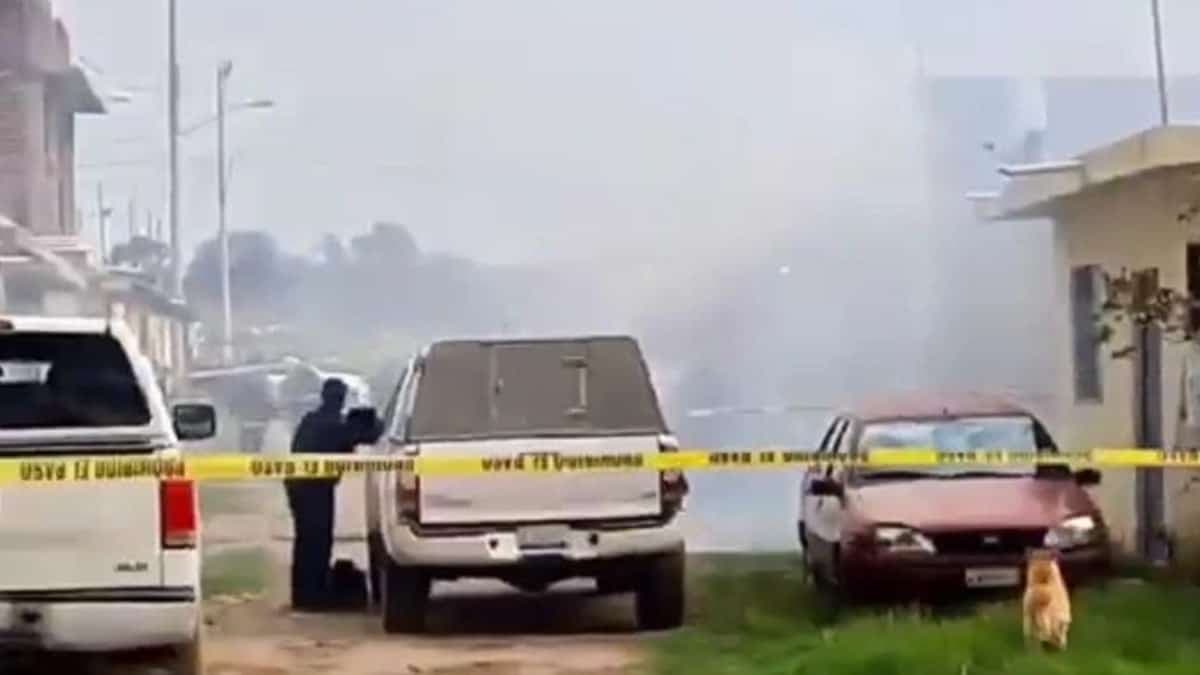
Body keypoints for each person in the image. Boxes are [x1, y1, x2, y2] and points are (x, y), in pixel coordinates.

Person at [285, 377, 356, 610]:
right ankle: (313, 594)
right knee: (317, 541)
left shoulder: (311, 420)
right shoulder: (334, 424)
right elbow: (358, 439)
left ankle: (304, 594)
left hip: (299, 485)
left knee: (306, 540)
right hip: (313, 489)